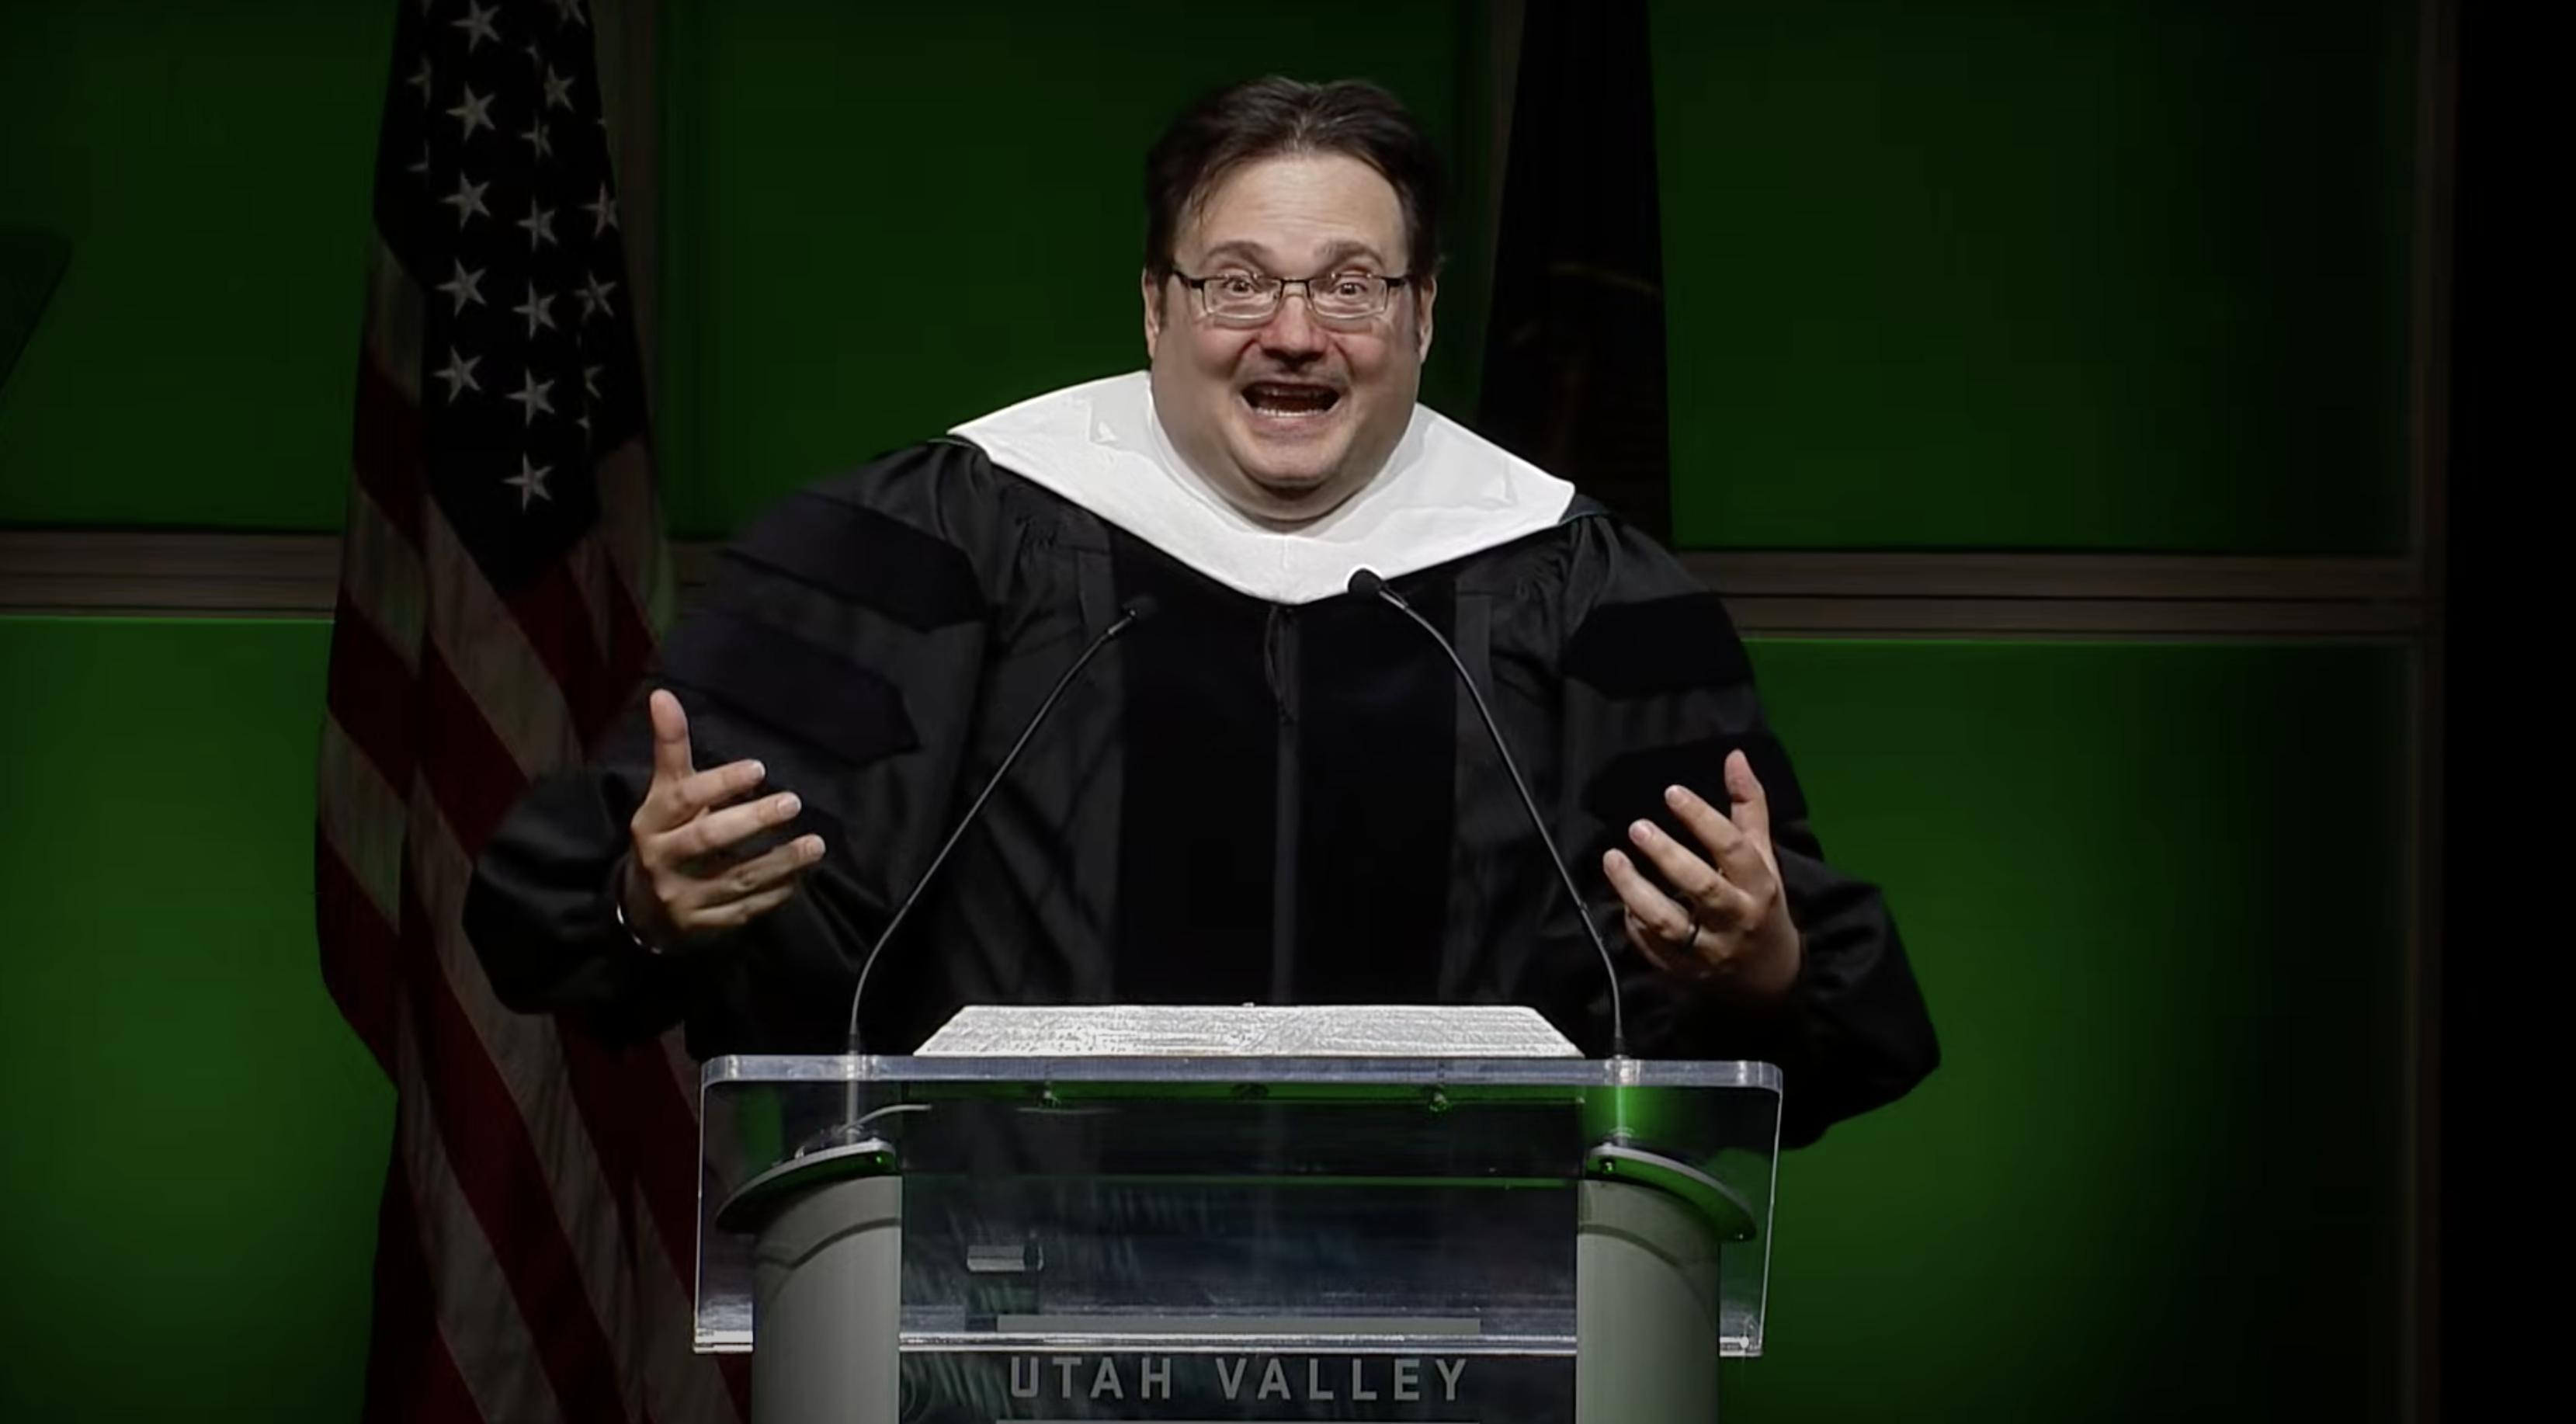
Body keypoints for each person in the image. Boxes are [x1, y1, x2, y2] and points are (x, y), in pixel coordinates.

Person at [463, 76, 1936, 1147]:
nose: (1293, 332)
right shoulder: (922, 543)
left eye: (1352, 286)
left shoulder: (1582, 584)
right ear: (1155, 307)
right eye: (1237, 281)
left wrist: (1769, 965)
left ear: (1423, 316)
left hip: (1461, 1322)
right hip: (998, 1336)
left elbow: (1811, 1000)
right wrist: (642, 903)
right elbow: (574, 912)